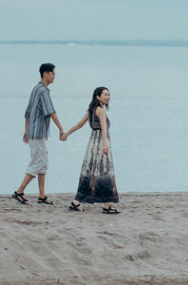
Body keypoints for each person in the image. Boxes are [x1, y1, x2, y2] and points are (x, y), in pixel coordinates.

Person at [13, 63, 67, 206]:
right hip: (37, 133)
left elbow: (27, 112)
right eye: (52, 73)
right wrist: (61, 129)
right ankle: (19, 191)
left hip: (35, 132)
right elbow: (51, 111)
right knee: (38, 162)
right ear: (45, 74)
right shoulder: (42, 91)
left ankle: (42, 195)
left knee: (43, 163)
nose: (54, 76)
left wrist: (26, 130)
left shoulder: (36, 89)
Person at [63, 86, 120, 214]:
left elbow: (79, 124)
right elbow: (104, 129)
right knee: (105, 173)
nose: (108, 97)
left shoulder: (91, 110)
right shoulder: (101, 111)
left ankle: (77, 202)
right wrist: (106, 145)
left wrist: (67, 133)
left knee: (90, 173)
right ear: (98, 96)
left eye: (108, 95)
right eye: (105, 95)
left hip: (92, 145)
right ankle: (106, 207)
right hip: (100, 143)